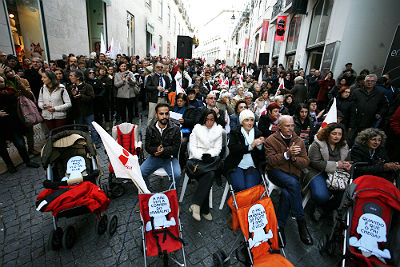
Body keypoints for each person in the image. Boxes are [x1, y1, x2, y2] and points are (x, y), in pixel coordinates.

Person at [264, 115, 312, 246]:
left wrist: (295, 159)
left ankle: (280, 228)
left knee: (287, 192)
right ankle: (301, 221)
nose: (290, 129)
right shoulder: (271, 140)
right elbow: (271, 161)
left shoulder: (299, 141)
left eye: (292, 126)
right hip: (276, 172)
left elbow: (306, 162)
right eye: (287, 126)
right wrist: (287, 154)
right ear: (279, 126)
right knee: (293, 184)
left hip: (292, 174)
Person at [303, 123, 351, 221]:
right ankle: (316, 206)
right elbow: (314, 162)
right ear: (328, 133)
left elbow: (346, 160)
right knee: (321, 196)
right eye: (334, 133)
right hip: (317, 172)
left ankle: (324, 209)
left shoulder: (344, 146)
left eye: (339, 134)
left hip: (337, 174)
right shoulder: (317, 144)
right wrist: (336, 165)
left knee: (344, 196)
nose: (337, 136)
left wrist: (347, 165)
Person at [187, 109, 223, 221]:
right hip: (196, 159)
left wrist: (209, 155)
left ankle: (196, 204)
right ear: (203, 119)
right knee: (210, 174)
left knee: (212, 169)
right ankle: (204, 209)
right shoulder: (197, 129)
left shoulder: (218, 130)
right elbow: (192, 147)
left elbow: (218, 149)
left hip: (210, 160)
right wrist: (201, 156)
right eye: (207, 120)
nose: (209, 122)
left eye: (212, 120)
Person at [0, 75, 40, 173]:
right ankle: (10, 165)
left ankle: (27, 161)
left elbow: (21, 98)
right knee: (2, 149)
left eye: (1, 81)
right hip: (0, 127)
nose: (0, 83)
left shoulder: (11, 91)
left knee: (20, 144)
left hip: (12, 124)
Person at [141, 103, 181, 190]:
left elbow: (175, 148)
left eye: (166, 114)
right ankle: (147, 194)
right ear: (156, 115)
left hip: (169, 158)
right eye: (161, 114)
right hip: (155, 157)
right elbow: (147, 147)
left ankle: (168, 195)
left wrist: (164, 150)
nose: (164, 116)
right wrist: (156, 150)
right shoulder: (150, 128)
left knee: (177, 175)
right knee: (141, 172)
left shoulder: (175, 128)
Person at [224, 110, 264, 192]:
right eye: (247, 120)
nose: (250, 123)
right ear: (242, 121)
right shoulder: (235, 132)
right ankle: (241, 202)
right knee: (240, 187)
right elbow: (233, 149)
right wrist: (251, 146)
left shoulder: (258, 133)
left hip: (253, 165)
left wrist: (260, 146)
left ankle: (245, 203)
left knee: (250, 189)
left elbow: (262, 155)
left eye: (252, 120)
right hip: (236, 164)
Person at [68, 69, 100, 146]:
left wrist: (81, 96)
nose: (70, 77)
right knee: (79, 128)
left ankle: (95, 142)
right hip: (77, 112)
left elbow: (91, 98)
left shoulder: (87, 86)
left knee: (92, 127)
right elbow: (69, 100)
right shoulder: (71, 87)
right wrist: (73, 96)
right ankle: (82, 143)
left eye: (72, 76)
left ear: (78, 77)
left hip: (88, 111)